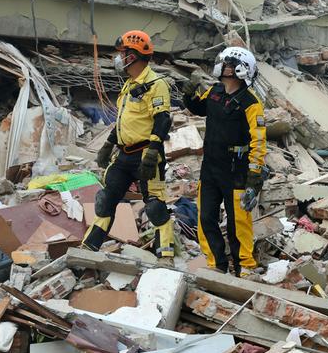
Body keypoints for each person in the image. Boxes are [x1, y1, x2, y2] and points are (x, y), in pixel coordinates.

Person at [83, 30, 175, 266]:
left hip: (146, 154)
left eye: (122, 53)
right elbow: (124, 121)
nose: (118, 58)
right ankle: (89, 245)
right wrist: (108, 144)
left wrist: (153, 152)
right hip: (124, 154)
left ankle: (165, 254)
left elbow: (162, 120)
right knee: (106, 198)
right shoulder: (129, 84)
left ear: (132, 56)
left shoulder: (156, 84)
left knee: (154, 205)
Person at [181, 46, 267, 277]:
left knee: (238, 222)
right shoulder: (214, 92)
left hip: (236, 169)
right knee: (206, 216)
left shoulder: (251, 103)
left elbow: (259, 141)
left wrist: (254, 176)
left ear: (242, 69)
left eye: (228, 64)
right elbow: (198, 108)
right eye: (223, 63)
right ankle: (216, 264)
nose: (223, 67)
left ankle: (245, 267)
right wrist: (188, 94)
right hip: (210, 168)